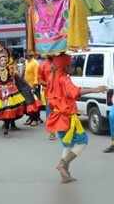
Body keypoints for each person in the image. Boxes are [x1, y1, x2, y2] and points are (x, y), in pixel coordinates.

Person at [46, 54, 107, 183]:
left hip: (57, 117)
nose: (73, 68)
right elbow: (76, 92)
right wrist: (96, 89)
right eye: (71, 65)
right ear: (64, 66)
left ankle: (65, 175)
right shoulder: (64, 79)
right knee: (82, 142)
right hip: (66, 117)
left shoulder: (51, 77)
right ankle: (62, 164)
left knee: (68, 144)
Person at [0, 46, 26, 136]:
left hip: (10, 90)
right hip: (1, 91)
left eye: (4, 60)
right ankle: (6, 126)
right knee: (5, 109)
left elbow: (13, 78)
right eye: (1, 60)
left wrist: (19, 72)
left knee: (11, 108)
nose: (3, 62)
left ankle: (9, 126)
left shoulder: (10, 69)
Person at [39, 56, 56, 140]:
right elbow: (40, 80)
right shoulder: (43, 65)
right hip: (49, 93)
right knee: (50, 112)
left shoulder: (59, 62)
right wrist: (48, 84)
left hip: (60, 92)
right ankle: (52, 132)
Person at [23, 52, 42, 126]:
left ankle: (36, 119)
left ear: (31, 55)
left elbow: (36, 75)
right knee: (29, 104)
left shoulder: (35, 63)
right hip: (27, 86)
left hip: (33, 86)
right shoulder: (26, 62)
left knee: (35, 103)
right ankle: (31, 118)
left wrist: (34, 86)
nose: (26, 55)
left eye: (27, 54)